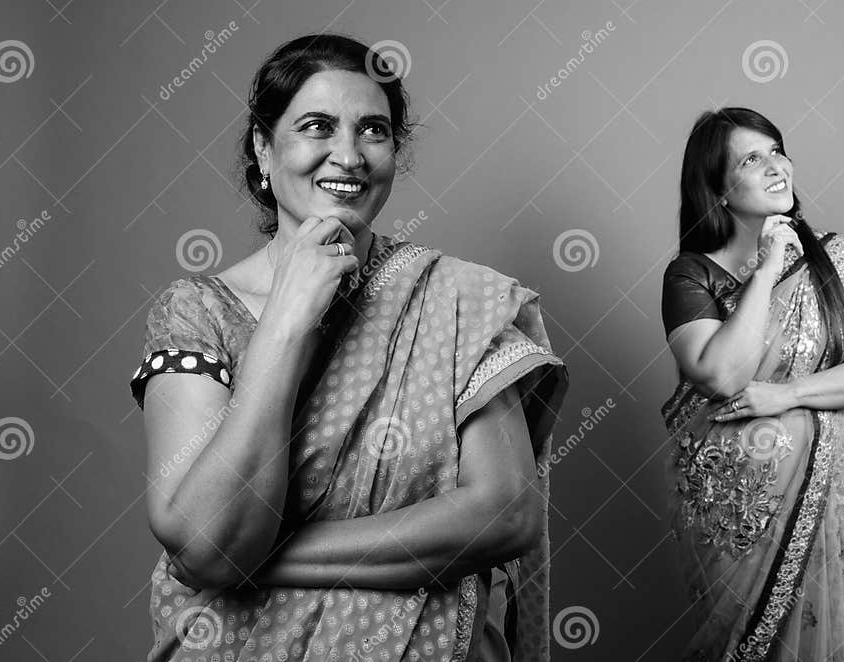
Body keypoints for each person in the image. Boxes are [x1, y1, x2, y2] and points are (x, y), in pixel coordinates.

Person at [128, 33, 568, 662]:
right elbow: (208, 536)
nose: (349, 154)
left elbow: (504, 515)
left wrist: (253, 564)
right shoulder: (196, 312)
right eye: (316, 126)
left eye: (374, 131)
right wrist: (284, 322)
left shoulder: (457, 300)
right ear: (262, 146)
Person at [660, 107, 844, 661]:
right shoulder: (692, 274)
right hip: (735, 512)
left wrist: (788, 395)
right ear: (716, 189)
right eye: (751, 158)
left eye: (776, 150)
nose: (776, 167)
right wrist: (767, 268)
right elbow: (722, 373)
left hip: (825, 493)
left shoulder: (834, 258)